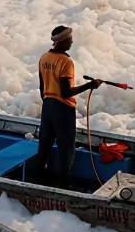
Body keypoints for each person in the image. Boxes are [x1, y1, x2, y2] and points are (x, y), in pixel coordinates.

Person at [34, 25, 101, 186]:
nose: (71, 42)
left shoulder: (44, 58)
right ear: (62, 41)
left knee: (45, 145)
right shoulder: (66, 62)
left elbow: (42, 88)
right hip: (62, 109)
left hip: (48, 106)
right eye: (69, 40)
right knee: (66, 149)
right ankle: (63, 186)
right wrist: (90, 85)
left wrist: (49, 105)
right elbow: (66, 92)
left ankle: (37, 180)